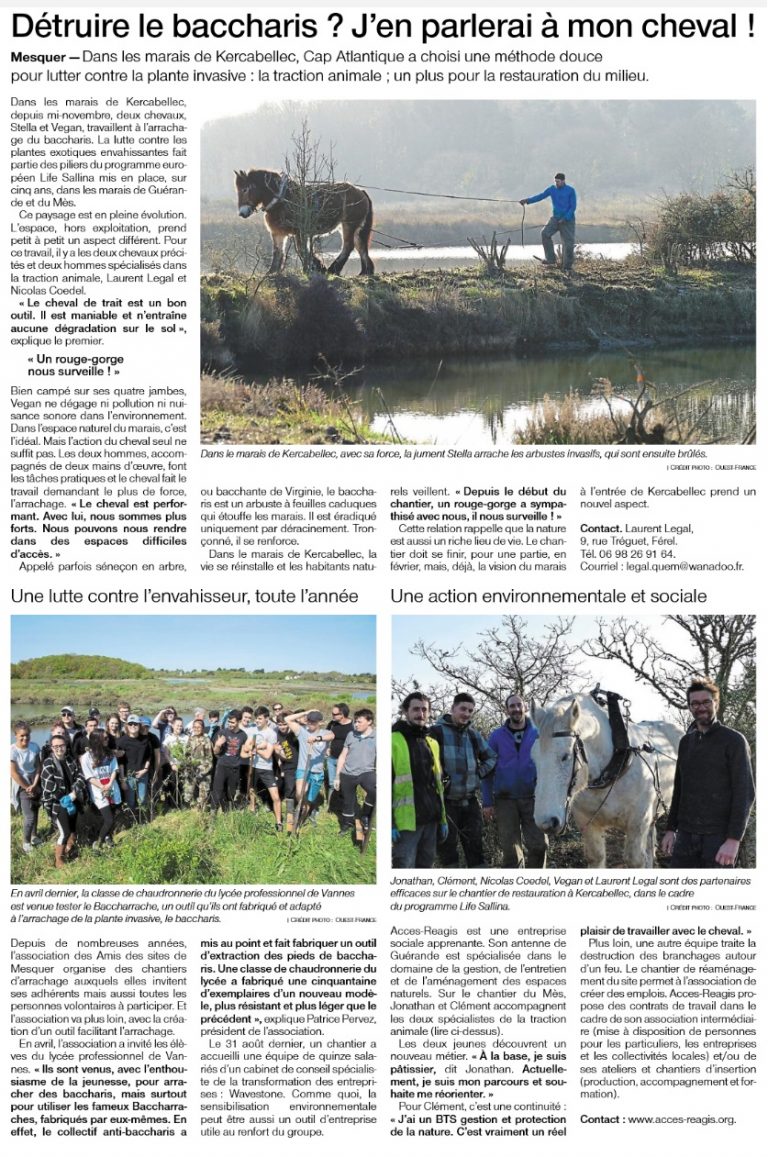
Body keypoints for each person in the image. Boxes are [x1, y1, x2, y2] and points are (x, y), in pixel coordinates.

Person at [661, 678, 755, 868]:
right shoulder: (686, 743)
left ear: (716, 704)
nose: (700, 707)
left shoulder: (734, 741)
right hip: (685, 836)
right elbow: (680, 789)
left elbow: (744, 793)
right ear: (689, 707)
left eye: (706, 702)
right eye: (694, 703)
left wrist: (733, 840)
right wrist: (671, 829)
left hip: (718, 838)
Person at [429, 693, 497, 868]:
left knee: (476, 853)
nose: (466, 714)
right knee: (448, 854)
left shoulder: (473, 735)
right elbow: (424, 765)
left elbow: (491, 758)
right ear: (452, 709)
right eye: (463, 709)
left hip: (470, 803)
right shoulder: (435, 732)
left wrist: (478, 773)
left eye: (470, 711)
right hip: (445, 804)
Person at [484, 693, 547, 869]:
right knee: (511, 852)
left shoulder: (538, 733)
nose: (516, 709)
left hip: (533, 798)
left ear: (525, 707)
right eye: (512, 706)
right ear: (506, 710)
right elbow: (487, 771)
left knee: (539, 845)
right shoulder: (496, 736)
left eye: (519, 705)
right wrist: (487, 801)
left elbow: (551, 764)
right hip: (505, 800)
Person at [391, 692, 447, 869]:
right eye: (415, 709)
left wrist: (443, 819)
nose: (420, 714)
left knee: (426, 867)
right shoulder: (393, 741)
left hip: (431, 820)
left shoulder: (432, 742)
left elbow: (437, 785)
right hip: (406, 825)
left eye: (424, 709)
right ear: (405, 711)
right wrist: (390, 823)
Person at [41, 733, 84, 868]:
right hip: (58, 804)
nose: (59, 748)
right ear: (52, 748)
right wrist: (64, 798)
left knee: (72, 829)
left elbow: (80, 776)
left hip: (73, 799)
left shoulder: (70, 759)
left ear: (66, 746)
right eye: (56, 746)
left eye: (62, 746)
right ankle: (59, 861)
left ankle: (69, 850)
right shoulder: (48, 763)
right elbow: (48, 785)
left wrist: (74, 793)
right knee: (64, 832)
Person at [519, 172, 577, 271]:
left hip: (568, 220)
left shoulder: (570, 191)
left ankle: (567, 267)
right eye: (555, 181)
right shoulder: (552, 189)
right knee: (545, 233)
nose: (556, 183)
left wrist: (566, 218)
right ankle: (551, 259)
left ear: (563, 181)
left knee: (568, 243)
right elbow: (540, 196)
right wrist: (527, 200)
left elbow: (573, 207)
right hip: (555, 218)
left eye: (558, 181)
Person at [334, 708, 376, 839]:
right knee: (348, 801)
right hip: (348, 773)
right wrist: (337, 776)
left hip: (366, 772)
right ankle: (346, 826)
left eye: (359, 722)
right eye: (355, 722)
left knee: (376, 790)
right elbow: (342, 756)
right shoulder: (351, 735)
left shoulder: (377, 737)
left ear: (369, 722)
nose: (356, 724)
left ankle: (365, 815)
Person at [80, 731, 121, 849]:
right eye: (105, 738)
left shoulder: (110, 754)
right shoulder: (86, 757)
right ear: (97, 740)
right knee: (109, 819)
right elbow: (89, 776)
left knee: (112, 814)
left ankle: (109, 838)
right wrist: (102, 787)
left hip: (112, 787)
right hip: (98, 790)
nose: (107, 740)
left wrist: (109, 784)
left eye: (107, 738)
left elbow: (114, 769)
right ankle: (98, 843)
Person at [10, 722, 42, 854]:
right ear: (16, 735)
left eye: (27, 735)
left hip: (34, 782)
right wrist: (27, 787)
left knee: (35, 810)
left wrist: (34, 784)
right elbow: (14, 773)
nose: (25, 738)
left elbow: (38, 767)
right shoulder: (12, 750)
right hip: (21, 785)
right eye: (22, 736)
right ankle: (26, 842)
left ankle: (34, 836)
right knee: (29, 816)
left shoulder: (34, 747)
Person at [247, 708, 281, 828]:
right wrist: (256, 747)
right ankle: (252, 809)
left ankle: (278, 822)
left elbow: (267, 755)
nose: (257, 720)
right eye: (256, 718)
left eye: (260, 718)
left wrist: (257, 748)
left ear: (267, 719)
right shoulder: (252, 731)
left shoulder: (271, 734)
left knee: (275, 796)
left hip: (266, 768)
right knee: (252, 789)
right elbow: (247, 747)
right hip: (253, 766)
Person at [211, 710, 249, 811]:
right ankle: (212, 815)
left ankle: (226, 812)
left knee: (230, 792)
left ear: (239, 722)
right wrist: (218, 745)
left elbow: (243, 753)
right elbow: (215, 752)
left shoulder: (243, 735)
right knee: (217, 791)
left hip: (235, 768)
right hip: (222, 766)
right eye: (228, 722)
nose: (229, 724)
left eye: (232, 722)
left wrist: (250, 753)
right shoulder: (222, 732)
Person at [119, 714, 153, 811]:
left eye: (136, 724)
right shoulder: (121, 741)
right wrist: (123, 780)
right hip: (129, 776)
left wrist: (145, 769)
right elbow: (121, 763)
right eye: (130, 724)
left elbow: (149, 757)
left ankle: (142, 819)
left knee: (142, 799)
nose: (133, 726)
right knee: (130, 801)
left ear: (139, 725)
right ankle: (132, 820)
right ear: (127, 726)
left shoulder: (145, 740)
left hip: (142, 774)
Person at [273, 714, 300, 832]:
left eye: (284, 724)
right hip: (287, 766)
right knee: (289, 789)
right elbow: (280, 754)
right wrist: (278, 753)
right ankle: (290, 814)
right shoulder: (277, 735)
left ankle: (301, 810)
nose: (282, 727)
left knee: (300, 790)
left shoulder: (294, 733)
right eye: (280, 724)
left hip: (300, 764)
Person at [185, 718, 214, 809]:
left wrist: (203, 771)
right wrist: (188, 766)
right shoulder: (190, 739)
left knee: (203, 792)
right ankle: (190, 807)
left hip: (204, 771)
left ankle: (201, 809)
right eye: (195, 727)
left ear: (203, 728)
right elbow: (187, 754)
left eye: (199, 727)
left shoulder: (207, 740)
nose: (196, 729)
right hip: (192, 770)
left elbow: (209, 758)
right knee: (189, 791)